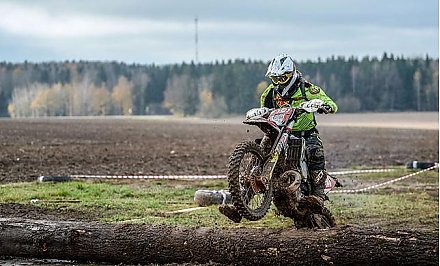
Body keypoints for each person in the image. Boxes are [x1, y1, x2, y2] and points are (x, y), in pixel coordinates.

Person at [261, 53, 338, 201]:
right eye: (274, 78)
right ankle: (248, 188)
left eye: (282, 78)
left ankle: (318, 195)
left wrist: (324, 106)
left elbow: (331, 104)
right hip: (280, 132)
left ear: (291, 74)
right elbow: (266, 113)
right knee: (263, 144)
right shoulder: (269, 93)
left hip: (305, 133)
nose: (278, 82)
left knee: (315, 151)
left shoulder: (308, 89)